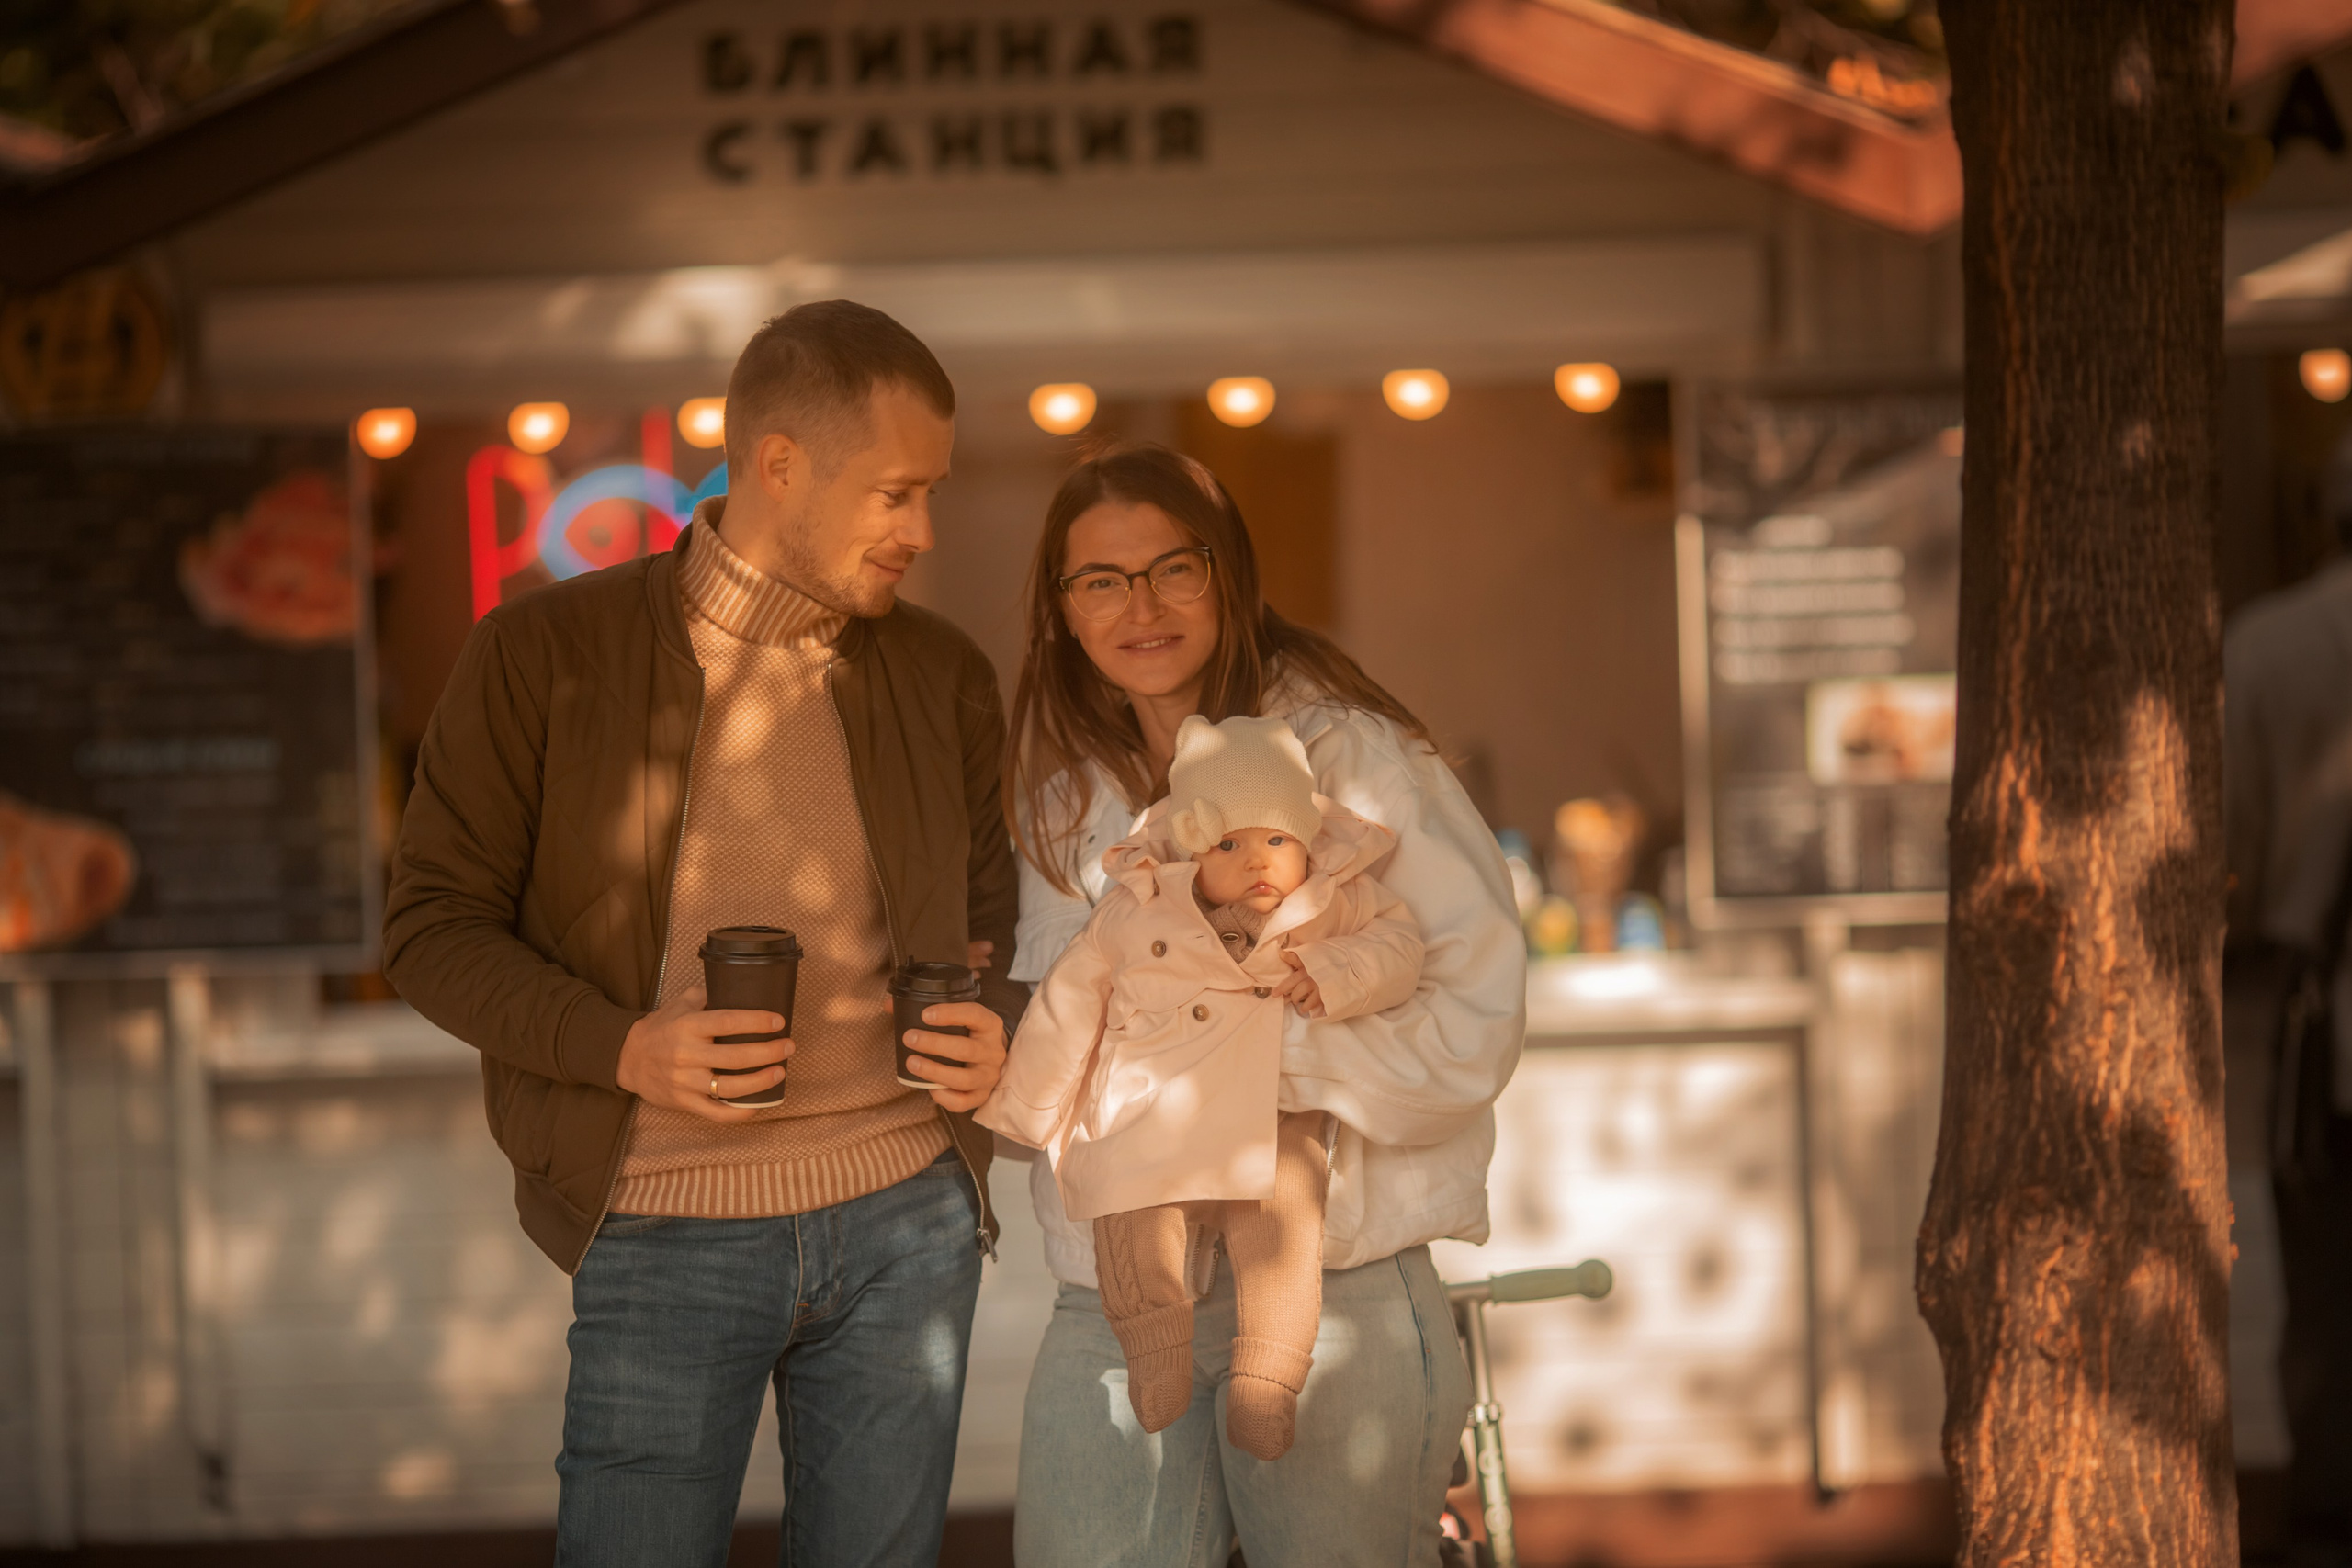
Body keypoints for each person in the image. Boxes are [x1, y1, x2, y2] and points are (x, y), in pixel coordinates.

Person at [380, 300, 1021, 1568]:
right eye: (896, 493)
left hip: (908, 1219)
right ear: (779, 465)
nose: (921, 531)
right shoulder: (539, 656)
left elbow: (987, 905)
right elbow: (429, 929)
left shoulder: (942, 670)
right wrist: (624, 1047)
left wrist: (988, 1033)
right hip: (661, 1220)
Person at [1001, 443, 1525, 1566]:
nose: (1138, 607)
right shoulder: (1059, 813)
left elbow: (1475, 1020)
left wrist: (1241, 1081)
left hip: (1335, 1293)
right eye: (1099, 580)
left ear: (1228, 577)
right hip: (1114, 1300)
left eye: (1171, 570)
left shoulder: (1358, 761)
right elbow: (1063, 1045)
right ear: (1061, 612)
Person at [979, 713, 1424, 1461]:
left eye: (1278, 839)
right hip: (1158, 1108)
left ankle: (1269, 1380)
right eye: (1229, 843)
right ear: (1190, 846)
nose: (1259, 860)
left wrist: (1338, 972)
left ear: (1306, 840)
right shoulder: (1137, 908)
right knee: (1130, 1212)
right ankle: (1155, 1354)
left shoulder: (1328, 903)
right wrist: (1027, 1106)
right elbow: (1068, 1001)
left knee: (1286, 1231)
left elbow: (1399, 946)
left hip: (1269, 1114)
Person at [2226, 444, 2352, 1567]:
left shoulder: (2272, 649)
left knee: (2321, 1309)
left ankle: (2323, 1525)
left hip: (2322, 1043)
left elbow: (2226, 858)